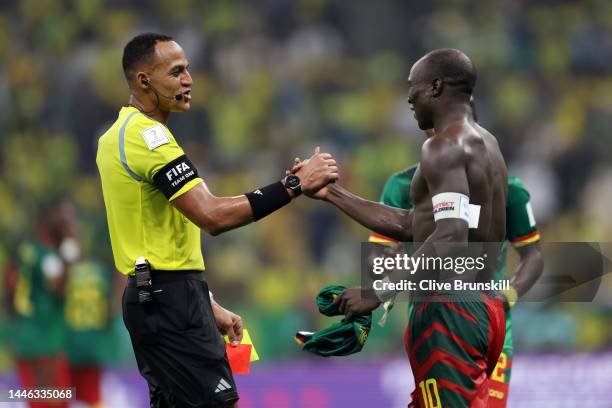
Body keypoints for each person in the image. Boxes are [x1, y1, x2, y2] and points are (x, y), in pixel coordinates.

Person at [96, 33, 337, 408]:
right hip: (169, 301)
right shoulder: (148, 138)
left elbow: (158, 239)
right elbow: (212, 216)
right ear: (144, 80)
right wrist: (293, 185)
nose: (188, 80)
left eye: (188, 70)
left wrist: (206, 301)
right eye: (176, 72)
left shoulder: (120, 135)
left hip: (161, 296)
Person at [302, 49, 511, 406]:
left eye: (412, 87)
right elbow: (415, 224)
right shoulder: (484, 144)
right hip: (483, 305)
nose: (408, 97)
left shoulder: (441, 147)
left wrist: (378, 291)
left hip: (450, 310)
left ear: (435, 86)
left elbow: (450, 237)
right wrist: (332, 194)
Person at [367, 166, 543, 407]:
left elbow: (533, 255)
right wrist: (387, 263)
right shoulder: (401, 187)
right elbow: (376, 258)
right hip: (431, 331)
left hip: (488, 329)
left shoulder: (508, 189)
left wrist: (507, 296)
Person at [4, 201, 80, 408]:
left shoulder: (24, 249)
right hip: (46, 341)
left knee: (38, 399)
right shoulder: (48, 255)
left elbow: (9, 282)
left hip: (24, 337)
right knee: (53, 401)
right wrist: (68, 259)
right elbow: (56, 287)